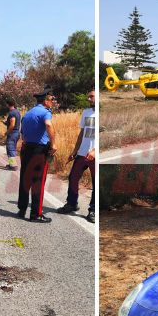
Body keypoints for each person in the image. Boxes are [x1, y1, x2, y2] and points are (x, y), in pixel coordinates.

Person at [18, 88, 57, 223]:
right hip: (39, 150)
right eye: (52, 99)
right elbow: (48, 125)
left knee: (25, 179)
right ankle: (36, 214)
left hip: (27, 148)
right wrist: (53, 144)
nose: (53, 102)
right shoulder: (45, 113)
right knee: (38, 182)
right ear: (45, 100)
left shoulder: (29, 113)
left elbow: (22, 132)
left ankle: (22, 209)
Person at [57, 89, 95, 223]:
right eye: (88, 97)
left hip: (95, 155)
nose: (89, 99)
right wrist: (75, 150)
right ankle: (72, 204)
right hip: (82, 153)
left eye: (92, 97)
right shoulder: (87, 112)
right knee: (73, 177)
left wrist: (95, 151)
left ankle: (93, 211)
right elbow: (83, 133)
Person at [4, 99, 21, 170]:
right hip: (16, 132)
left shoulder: (12, 113)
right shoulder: (17, 112)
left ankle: (13, 166)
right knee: (12, 148)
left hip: (12, 133)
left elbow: (12, 125)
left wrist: (7, 132)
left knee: (10, 149)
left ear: (8, 104)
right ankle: (11, 164)